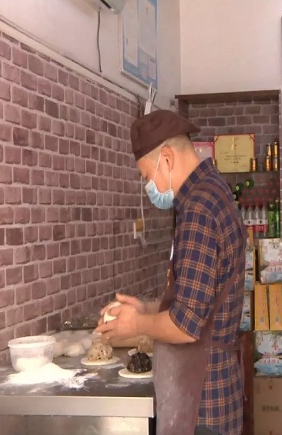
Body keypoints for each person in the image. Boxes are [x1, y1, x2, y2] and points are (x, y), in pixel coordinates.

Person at [95, 110, 247, 435]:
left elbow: (187, 325)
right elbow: (198, 299)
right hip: (213, 391)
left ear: (166, 158)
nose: (147, 186)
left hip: (203, 401)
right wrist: (147, 309)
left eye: (146, 176)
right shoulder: (212, 192)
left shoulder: (199, 210)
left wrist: (135, 324)